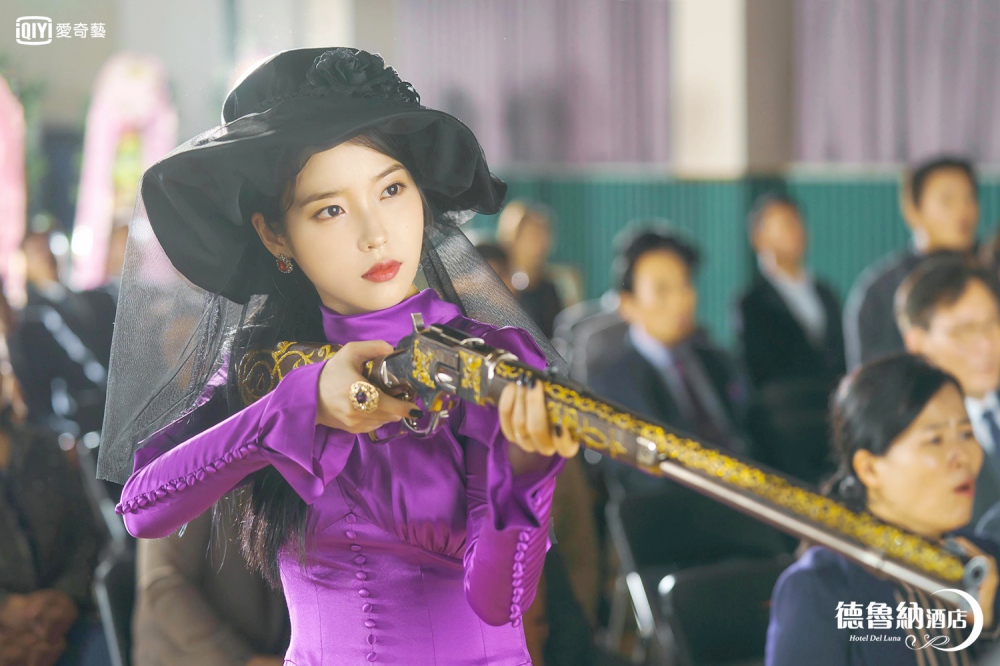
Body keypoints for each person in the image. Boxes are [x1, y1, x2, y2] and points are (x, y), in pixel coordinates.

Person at [102, 47, 579, 665]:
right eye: (330, 209)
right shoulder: (265, 364)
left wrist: (526, 470)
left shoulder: (491, 362)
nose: (375, 233)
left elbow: (500, 601)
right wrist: (297, 406)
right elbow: (141, 508)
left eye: (392, 190)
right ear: (276, 235)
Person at [766, 354, 1000, 665]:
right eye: (935, 440)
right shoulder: (820, 587)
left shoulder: (986, 562)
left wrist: (988, 629)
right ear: (870, 469)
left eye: (966, 434)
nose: (963, 457)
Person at [590, 228, 745, 487]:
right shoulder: (612, 381)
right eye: (662, 290)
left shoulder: (717, 360)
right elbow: (641, 479)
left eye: (685, 284)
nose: (680, 300)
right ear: (628, 304)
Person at [0, 337, 109, 666]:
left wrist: (65, 598)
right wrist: (8, 609)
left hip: (71, 617)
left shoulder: (43, 448)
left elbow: (88, 533)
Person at [735, 193, 845, 484]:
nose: (794, 232)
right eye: (783, 225)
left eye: (797, 223)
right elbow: (761, 372)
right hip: (786, 433)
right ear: (759, 238)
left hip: (831, 425)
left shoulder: (825, 292)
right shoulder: (751, 302)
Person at [844, 156, 978, 369]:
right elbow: (872, 376)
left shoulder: (987, 271)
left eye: (969, 198)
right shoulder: (882, 289)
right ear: (913, 210)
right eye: (947, 200)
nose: (963, 210)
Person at [895, 253, 1000, 524]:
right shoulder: (905, 439)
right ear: (917, 343)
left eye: (993, 324)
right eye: (965, 331)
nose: (987, 344)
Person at [132, 506, 291, 666]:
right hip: (189, 657)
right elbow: (162, 583)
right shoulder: (179, 490)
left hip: (274, 652)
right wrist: (243, 659)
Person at [496, 201, 566, 338]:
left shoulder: (549, 289)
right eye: (532, 234)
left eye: (544, 234)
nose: (540, 242)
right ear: (512, 237)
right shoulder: (497, 283)